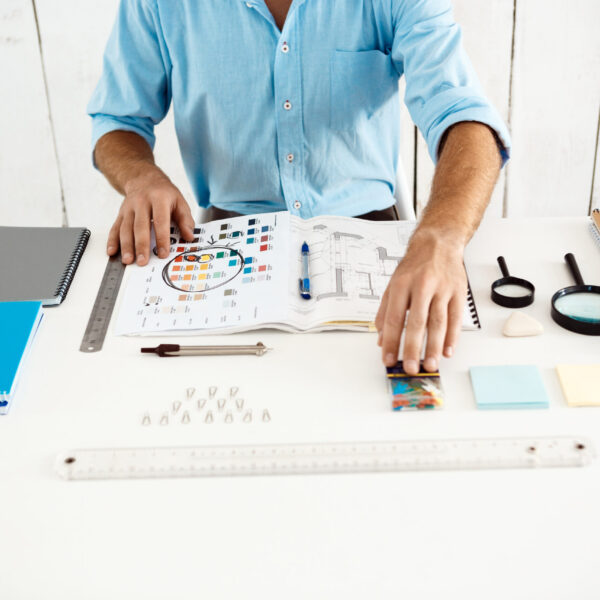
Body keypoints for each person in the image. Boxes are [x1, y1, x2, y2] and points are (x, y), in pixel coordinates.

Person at [88, 0, 511, 375]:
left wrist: (442, 237)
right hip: (231, 235)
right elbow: (117, 119)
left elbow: (465, 115)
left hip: (371, 231)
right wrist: (140, 175)